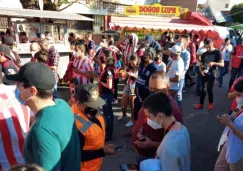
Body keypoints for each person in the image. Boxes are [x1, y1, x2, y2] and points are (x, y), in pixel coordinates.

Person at [6, 62, 81, 171]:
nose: (16, 89)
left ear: (32, 91)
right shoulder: (62, 104)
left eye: (19, 85)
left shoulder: (42, 130)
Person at [132, 71, 183, 162]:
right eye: (150, 88)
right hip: (141, 153)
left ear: (167, 87)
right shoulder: (152, 99)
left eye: (156, 89)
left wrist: (152, 144)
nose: (152, 92)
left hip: (153, 157)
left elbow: (177, 141)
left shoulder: (173, 110)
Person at [72, 83, 116, 171]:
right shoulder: (74, 125)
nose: (95, 108)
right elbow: (75, 155)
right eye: (91, 105)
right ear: (79, 103)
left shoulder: (93, 112)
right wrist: (102, 151)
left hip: (95, 165)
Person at [142, 92, 190, 171]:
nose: (148, 120)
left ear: (160, 116)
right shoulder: (181, 127)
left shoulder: (168, 148)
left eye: (148, 116)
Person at [0, 65, 33, 170]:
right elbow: (33, 120)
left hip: (6, 166)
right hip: (29, 161)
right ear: (2, 75)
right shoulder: (19, 90)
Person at [215, 80, 243, 171]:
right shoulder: (240, 104)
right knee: (219, 167)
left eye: (239, 95)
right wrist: (229, 118)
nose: (237, 98)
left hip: (239, 151)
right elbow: (235, 115)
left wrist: (230, 125)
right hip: (231, 143)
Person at [195, 39, 224, 110]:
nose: (208, 49)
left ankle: (210, 103)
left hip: (212, 72)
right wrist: (201, 71)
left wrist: (214, 63)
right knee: (203, 89)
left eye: (209, 47)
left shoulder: (217, 52)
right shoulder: (204, 54)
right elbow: (200, 64)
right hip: (205, 72)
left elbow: (222, 64)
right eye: (206, 47)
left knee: (209, 89)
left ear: (212, 44)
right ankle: (201, 103)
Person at [134, 47, 158, 123]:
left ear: (150, 57)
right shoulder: (142, 64)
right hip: (137, 94)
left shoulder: (154, 68)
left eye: (145, 55)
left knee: (144, 118)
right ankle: (134, 131)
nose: (142, 56)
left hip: (146, 97)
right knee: (136, 114)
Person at [118, 55, 138, 127]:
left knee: (132, 104)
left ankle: (132, 120)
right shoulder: (128, 67)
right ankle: (124, 114)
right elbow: (122, 73)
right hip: (127, 86)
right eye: (131, 61)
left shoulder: (139, 68)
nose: (132, 63)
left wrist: (133, 75)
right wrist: (122, 73)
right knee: (123, 104)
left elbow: (139, 78)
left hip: (133, 87)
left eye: (134, 61)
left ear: (137, 61)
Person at [99, 57, 115, 141]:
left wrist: (100, 81)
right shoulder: (108, 70)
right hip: (105, 94)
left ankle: (109, 134)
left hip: (106, 95)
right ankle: (108, 132)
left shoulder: (108, 72)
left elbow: (109, 85)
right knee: (107, 114)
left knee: (108, 114)